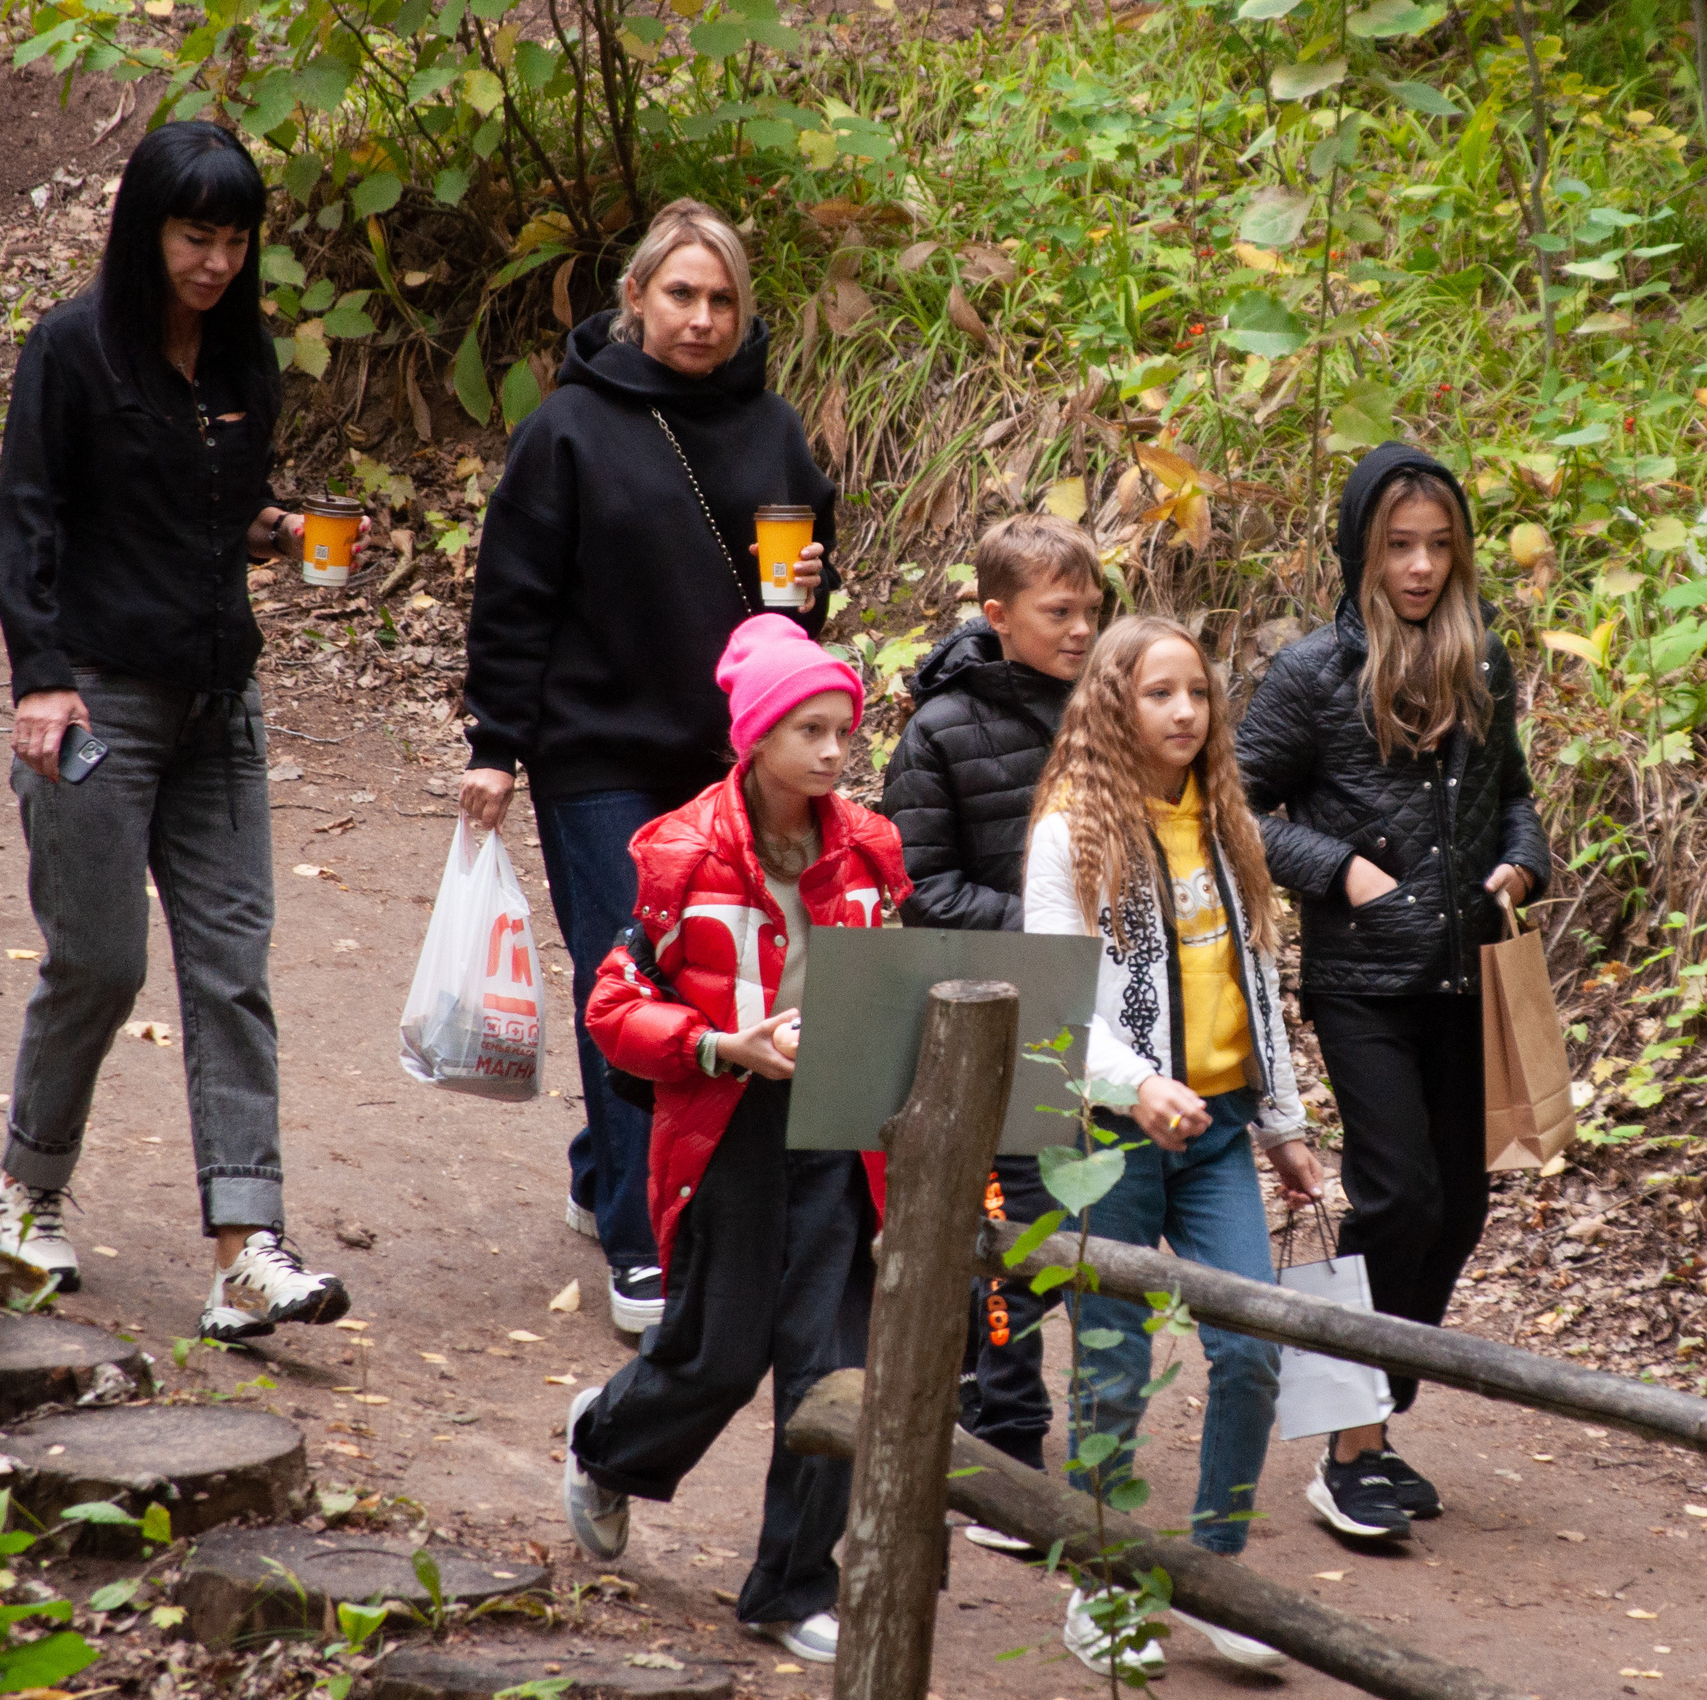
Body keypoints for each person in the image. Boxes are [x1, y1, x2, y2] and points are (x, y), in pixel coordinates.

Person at [0, 121, 353, 1342]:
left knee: (232, 967)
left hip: (215, 704)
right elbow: (29, 523)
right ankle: (23, 1191)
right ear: (147, 229)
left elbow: (201, 515)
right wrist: (39, 677)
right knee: (101, 961)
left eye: (236, 240)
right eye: (196, 235)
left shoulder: (245, 367)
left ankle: (248, 1245)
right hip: (94, 698)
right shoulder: (72, 351)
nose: (216, 262)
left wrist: (271, 533)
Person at [460, 198, 837, 1336]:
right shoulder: (569, 427)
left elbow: (801, 601)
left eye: (722, 298)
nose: (702, 317)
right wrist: (494, 742)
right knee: (634, 975)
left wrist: (811, 588)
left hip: (724, 752)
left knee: (712, 980)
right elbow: (512, 592)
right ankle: (645, 1241)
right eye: (681, 293)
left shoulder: (772, 425)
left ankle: (602, 1171)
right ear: (633, 299)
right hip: (594, 752)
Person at [562, 615, 906, 1666]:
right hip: (731, 1122)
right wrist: (722, 1044)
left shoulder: (871, 844)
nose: (834, 750)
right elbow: (614, 1006)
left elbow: (891, 979)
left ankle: (791, 1582)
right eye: (810, 728)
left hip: (841, 1124)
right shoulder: (682, 852)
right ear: (755, 736)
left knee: (829, 1364)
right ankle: (606, 1442)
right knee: (718, 1351)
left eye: (844, 728)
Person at [1235, 441, 1552, 1541]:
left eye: (1437, 546)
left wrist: (1523, 860)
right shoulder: (1312, 671)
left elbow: (1513, 794)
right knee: (1400, 1198)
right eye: (1397, 545)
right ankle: (1351, 1446)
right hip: (1362, 979)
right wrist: (1341, 869)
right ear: (1361, 550)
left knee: (1459, 1206)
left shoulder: (1484, 662)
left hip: (1465, 974)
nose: (1419, 567)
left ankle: (1368, 1399)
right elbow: (1235, 800)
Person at [1023, 616, 1327, 1681]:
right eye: (1158, 693)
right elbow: (1057, 1009)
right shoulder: (1072, 831)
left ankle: (1216, 1572)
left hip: (1219, 1129)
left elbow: (1256, 989)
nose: (1184, 712)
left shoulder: (1226, 820)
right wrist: (1136, 1083)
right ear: (1115, 703)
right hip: (1110, 1134)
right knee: (1109, 1365)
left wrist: (1283, 1124)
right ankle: (1101, 1585)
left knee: (1251, 1343)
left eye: (1196, 692)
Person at [878, 512, 1104, 1530]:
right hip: (990, 1016)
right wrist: (1055, 929)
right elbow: (920, 889)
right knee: (1020, 1228)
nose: (1082, 630)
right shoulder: (939, 730)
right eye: (1060, 613)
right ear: (998, 614)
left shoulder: (1110, 713)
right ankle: (1007, 1440)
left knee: (1086, 1219)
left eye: (1092, 611)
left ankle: (974, 1378)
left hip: (1099, 1014)